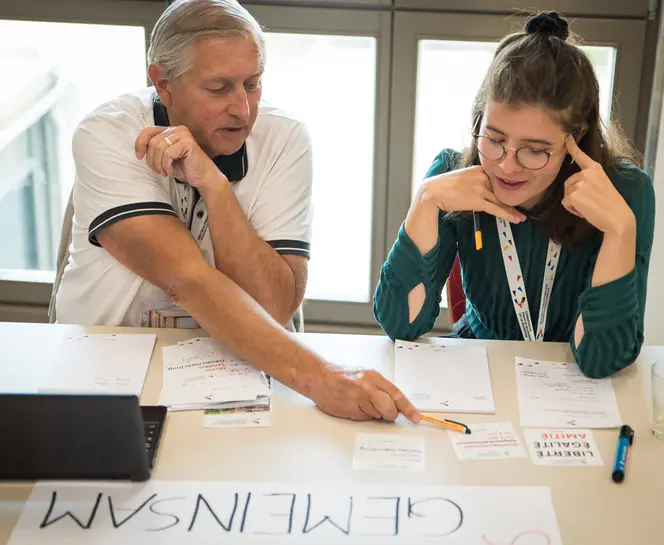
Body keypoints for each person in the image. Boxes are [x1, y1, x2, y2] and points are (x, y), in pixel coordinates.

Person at [55, 0, 419, 424]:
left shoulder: (284, 137)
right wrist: (325, 378)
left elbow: (275, 304)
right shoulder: (107, 134)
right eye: (219, 88)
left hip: (237, 369)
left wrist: (214, 184)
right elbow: (185, 279)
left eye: (253, 83)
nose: (243, 110)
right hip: (105, 366)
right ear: (163, 82)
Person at [374, 12, 655, 379]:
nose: (507, 166)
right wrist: (425, 199)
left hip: (571, 380)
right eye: (494, 139)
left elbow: (602, 359)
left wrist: (620, 231)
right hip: (478, 371)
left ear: (577, 139)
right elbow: (401, 325)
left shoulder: (624, 191)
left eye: (534, 150)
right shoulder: (452, 175)